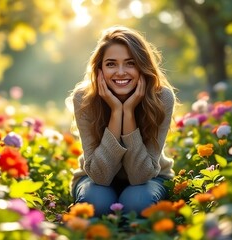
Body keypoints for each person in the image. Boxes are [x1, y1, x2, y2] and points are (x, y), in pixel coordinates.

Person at [65, 26, 177, 217]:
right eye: (111, 64)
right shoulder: (84, 99)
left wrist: (129, 114)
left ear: (142, 66)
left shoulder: (162, 98)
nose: (121, 72)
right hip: (95, 178)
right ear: (99, 69)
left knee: (137, 203)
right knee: (96, 204)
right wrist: (117, 112)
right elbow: (100, 176)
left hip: (150, 178)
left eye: (130, 63)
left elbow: (140, 175)